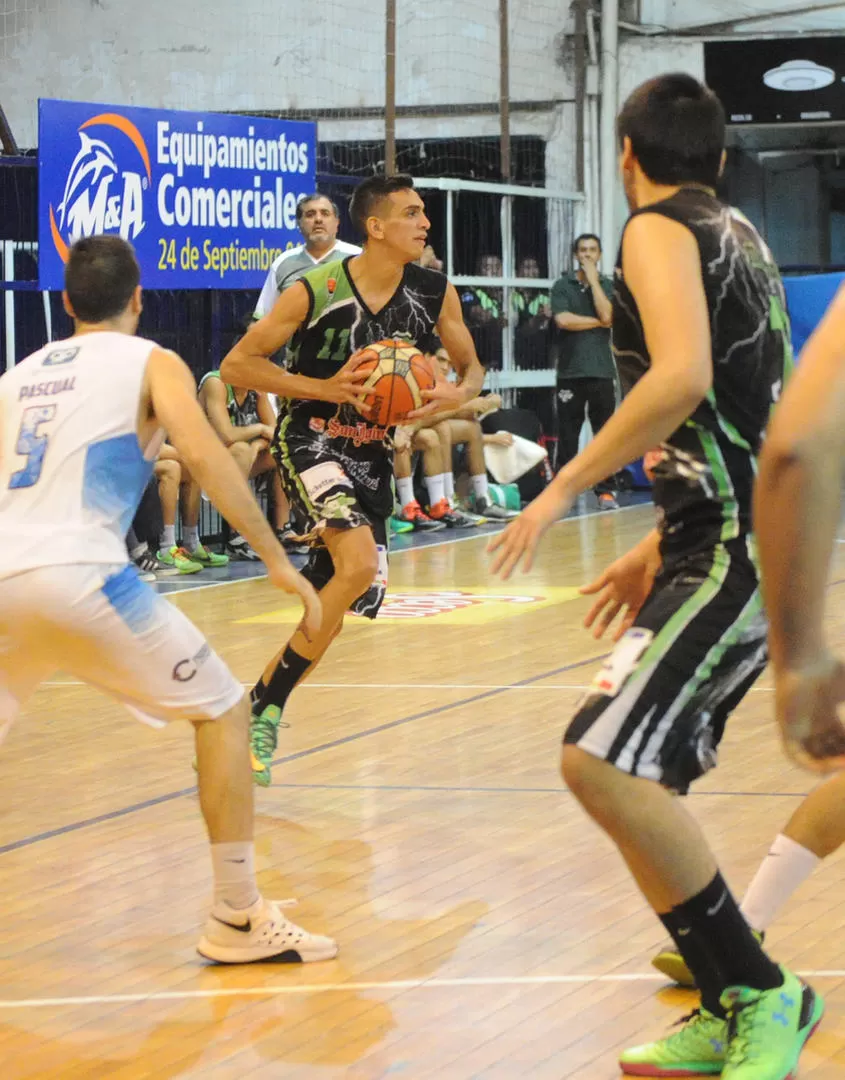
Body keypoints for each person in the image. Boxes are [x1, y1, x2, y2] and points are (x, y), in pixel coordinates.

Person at [489, 73, 822, 1078]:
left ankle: (760, 993)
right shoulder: (739, 232)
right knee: (619, 768)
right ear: (717, 157)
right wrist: (658, 535)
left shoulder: (652, 228)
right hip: (726, 531)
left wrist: (559, 487)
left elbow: (679, 377)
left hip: (730, 542)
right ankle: (728, 1000)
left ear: (626, 154)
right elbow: (751, 399)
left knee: (599, 761)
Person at [0, 235, 332, 963]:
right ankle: (237, 914)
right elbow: (205, 454)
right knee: (224, 710)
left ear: (66, 303)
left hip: (4, 580)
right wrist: (276, 557)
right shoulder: (151, 361)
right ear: (138, 297)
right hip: (82, 574)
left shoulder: (18, 375)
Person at [220, 173, 485, 787]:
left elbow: (471, 370)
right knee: (359, 566)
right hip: (309, 438)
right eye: (412, 213)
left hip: (370, 455)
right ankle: (263, 708)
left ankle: (255, 710)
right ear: (375, 226)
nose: (424, 223)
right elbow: (238, 365)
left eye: (424, 213)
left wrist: (452, 395)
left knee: (334, 605)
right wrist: (323, 387)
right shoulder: (315, 290)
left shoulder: (434, 291)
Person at [197, 369, 305, 558]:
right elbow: (227, 436)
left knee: (279, 451)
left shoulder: (256, 389)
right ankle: (235, 536)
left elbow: (275, 433)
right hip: (203, 462)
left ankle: (283, 530)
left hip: (239, 460)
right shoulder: (216, 384)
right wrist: (259, 429)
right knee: (241, 449)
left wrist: (256, 445)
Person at [549, 234, 618, 510]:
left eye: (592, 250)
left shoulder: (608, 285)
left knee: (605, 435)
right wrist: (598, 322)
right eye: (582, 250)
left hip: (602, 371)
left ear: (599, 255)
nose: (587, 254)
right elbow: (563, 320)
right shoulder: (562, 285)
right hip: (570, 372)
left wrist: (594, 282)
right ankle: (563, 493)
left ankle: (606, 491)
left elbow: (608, 315)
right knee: (568, 436)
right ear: (576, 255)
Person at [253, 193, 361, 321]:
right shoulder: (283, 263)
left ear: (337, 223)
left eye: (325, 213)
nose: (318, 219)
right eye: (310, 214)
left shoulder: (358, 258)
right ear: (299, 224)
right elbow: (263, 319)